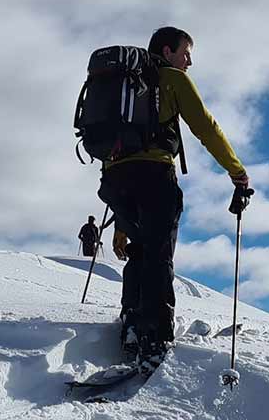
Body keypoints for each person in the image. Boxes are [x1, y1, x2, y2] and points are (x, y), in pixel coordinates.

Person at [98, 26, 249, 365]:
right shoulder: (171, 79)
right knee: (159, 253)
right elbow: (205, 126)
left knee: (139, 251)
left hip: (116, 180)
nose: (189, 62)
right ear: (167, 52)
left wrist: (120, 223)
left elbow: (111, 148)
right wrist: (236, 170)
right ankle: (155, 338)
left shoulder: (124, 87)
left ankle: (131, 325)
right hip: (154, 176)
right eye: (185, 53)